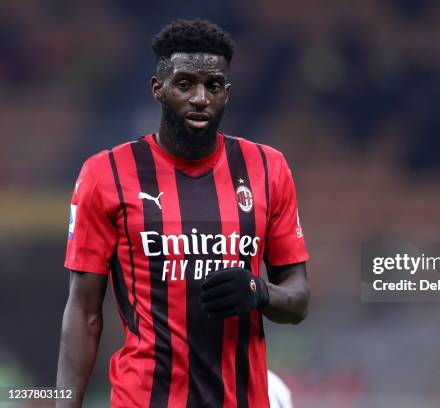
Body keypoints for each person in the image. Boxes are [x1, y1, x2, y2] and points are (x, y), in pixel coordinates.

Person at [56, 19, 310, 408]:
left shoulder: (267, 167)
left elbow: (298, 300)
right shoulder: (105, 173)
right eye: (185, 83)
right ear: (158, 88)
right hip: (145, 399)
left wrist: (259, 291)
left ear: (227, 93)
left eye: (212, 86)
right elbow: (84, 311)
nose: (199, 98)